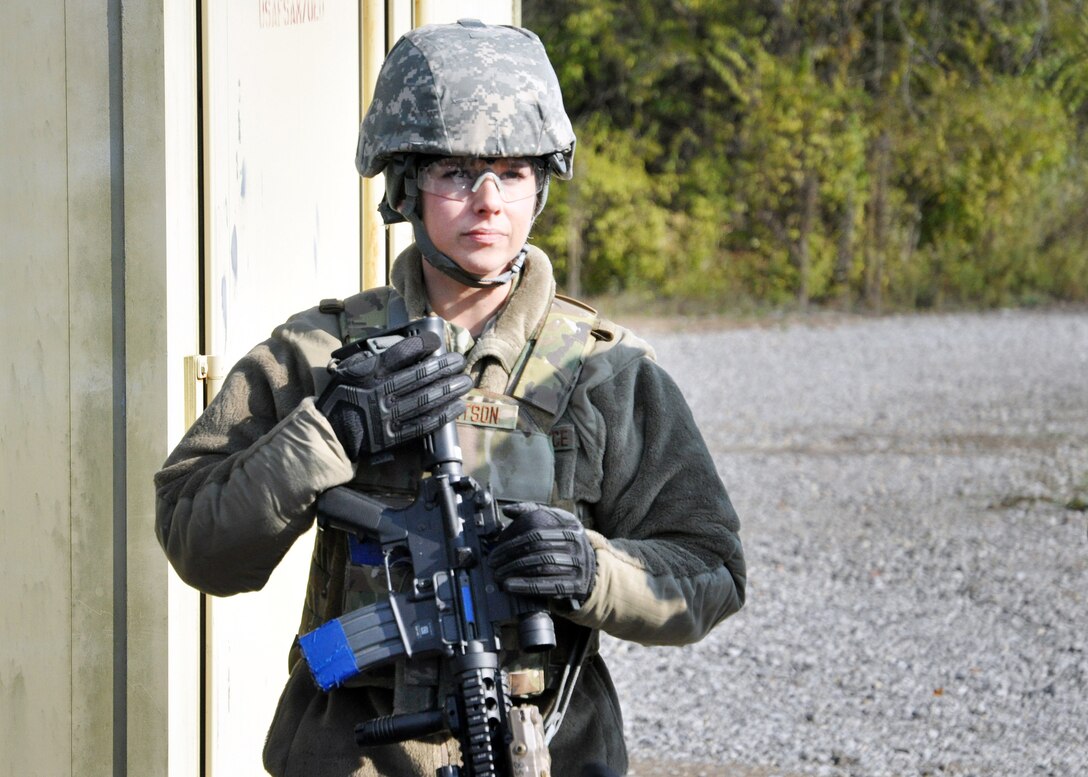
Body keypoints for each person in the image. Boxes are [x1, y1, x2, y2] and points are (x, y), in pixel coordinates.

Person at [155, 19, 745, 777]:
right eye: (458, 172)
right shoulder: (319, 353)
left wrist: (592, 569)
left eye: (514, 170)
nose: (489, 200)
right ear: (406, 184)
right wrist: (327, 435)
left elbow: (711, 566)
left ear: (544, 180)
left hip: (544, 753)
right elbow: (196, 539)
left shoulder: (605, 373)